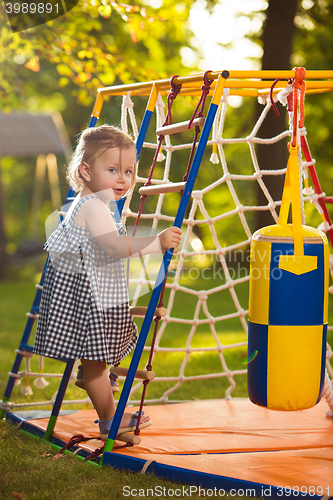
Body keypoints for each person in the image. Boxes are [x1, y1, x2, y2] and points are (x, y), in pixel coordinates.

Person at [33, 124, 182, 441]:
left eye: (129, 171)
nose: (123, 179)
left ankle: (92, 379)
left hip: (86, 297)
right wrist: (156, 242)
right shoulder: (93, 208)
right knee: (98, 364)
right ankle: (109, 420)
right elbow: (113, 248)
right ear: (85, 171)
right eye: (113, 169)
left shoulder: (85, 204)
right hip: (93, 302)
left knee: (97, 360)